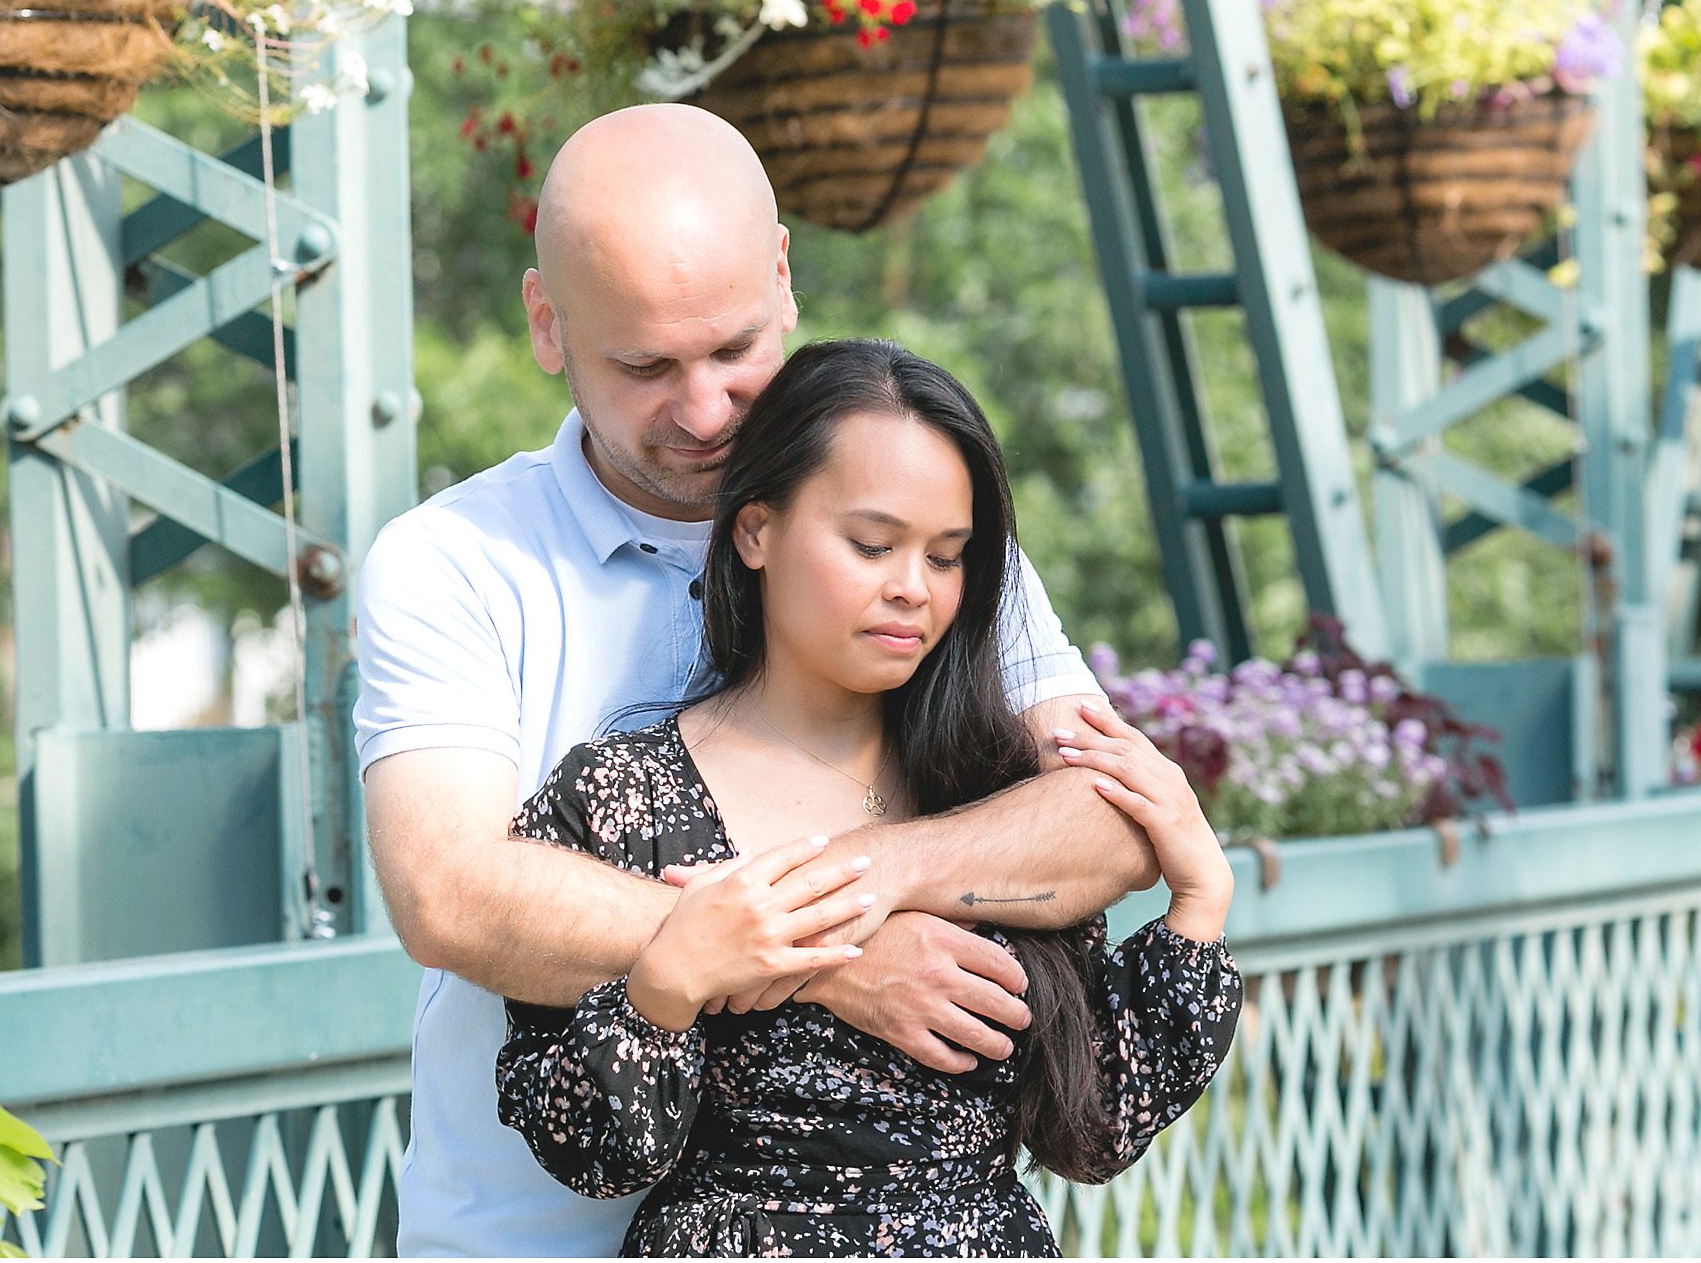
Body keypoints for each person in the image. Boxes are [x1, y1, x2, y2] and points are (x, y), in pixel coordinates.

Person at [354, 104, 1180, 1258]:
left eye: (734, 349)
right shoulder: (452, 562)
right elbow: (447, 894)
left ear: (784, 278)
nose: (702, 410)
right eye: (643, 365)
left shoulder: (912, 539)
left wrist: (859, 883)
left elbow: (1108, 817)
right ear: (546, 325)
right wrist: (832, 962)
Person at [495, 338, 1242, 1256]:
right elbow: (590, 1154)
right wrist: (668, 977)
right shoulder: (615, 800)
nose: (911, 591)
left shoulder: (995, 798)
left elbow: (1084, 1132)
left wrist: (1199, 905)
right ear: (755, 530)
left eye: (946, 557)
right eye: (873, 544)